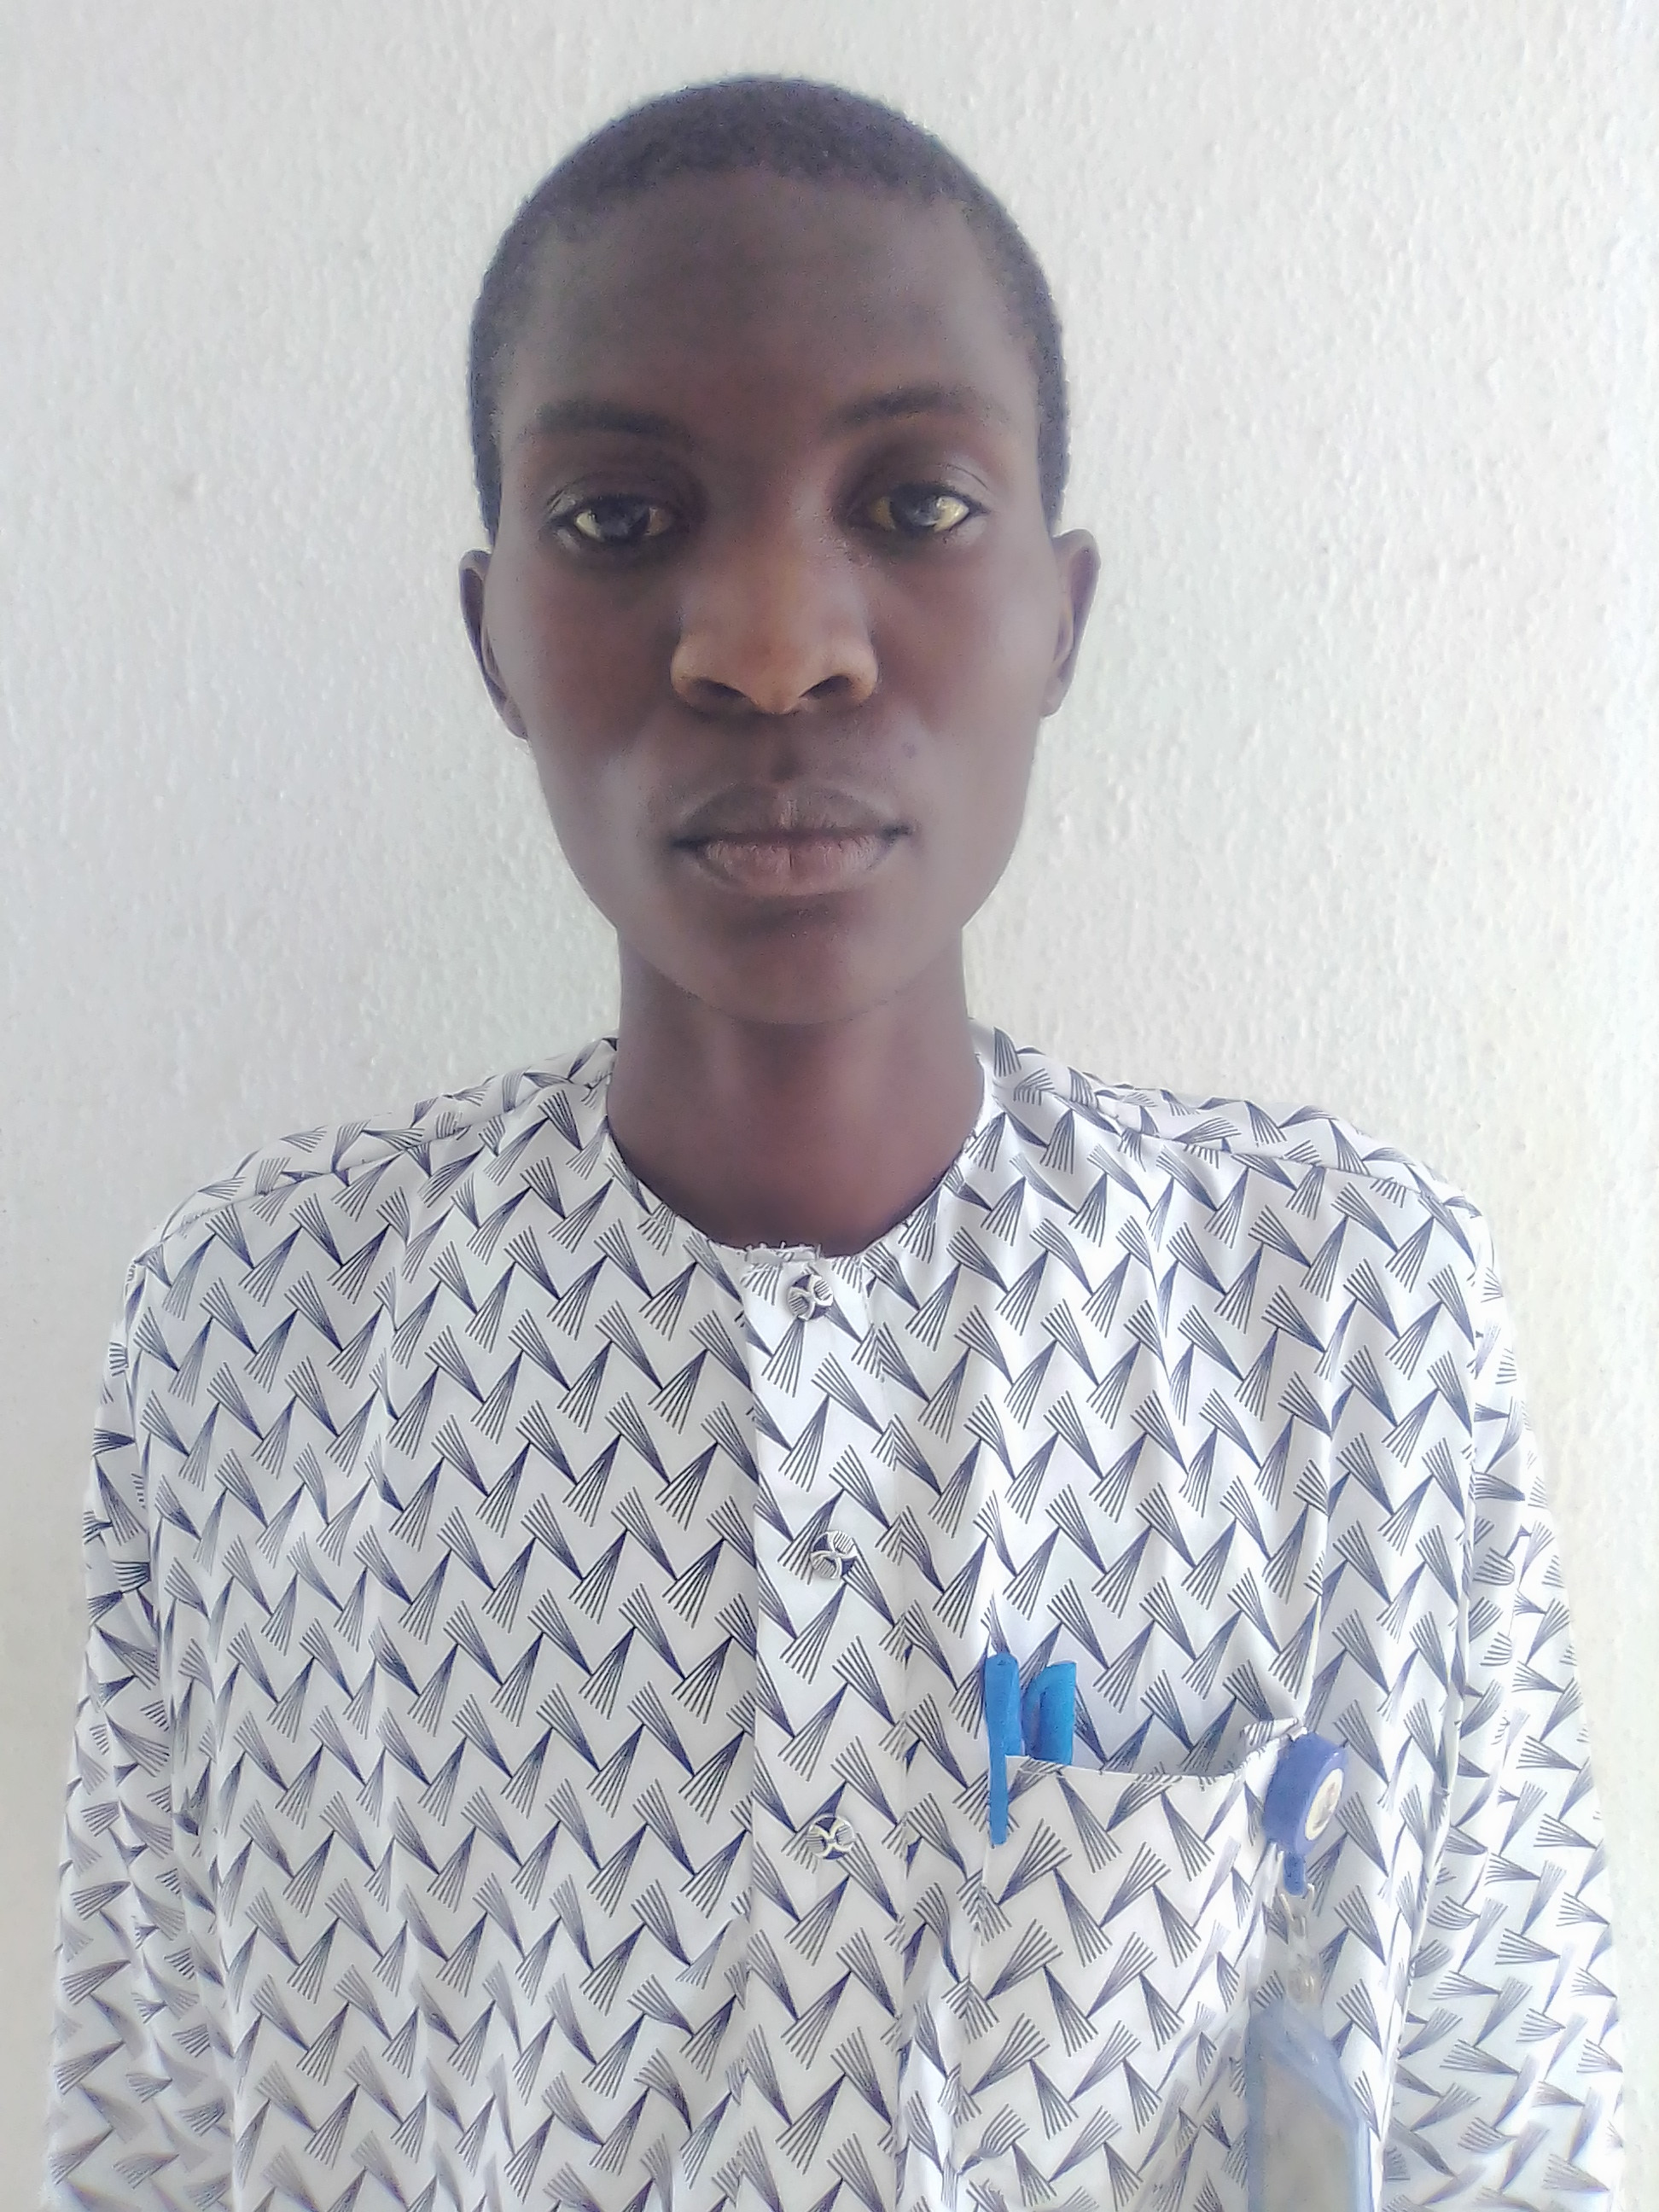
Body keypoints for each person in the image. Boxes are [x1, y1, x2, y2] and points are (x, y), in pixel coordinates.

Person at [46, 77, 1621, 2212]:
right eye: (622, 519)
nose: (773, 647)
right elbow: (152, 2144)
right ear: (493, 635)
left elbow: (1503, 2143)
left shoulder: (1343, 1318)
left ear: (1061, 616)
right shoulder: (255, 1342)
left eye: (916, 502)